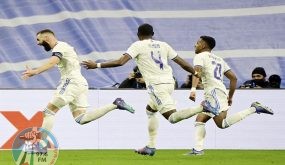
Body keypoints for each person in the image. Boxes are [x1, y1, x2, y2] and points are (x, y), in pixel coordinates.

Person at [82, 23, 209, 156]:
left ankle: (202, 108)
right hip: (170, 82)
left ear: (138, 35)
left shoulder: (138, 45)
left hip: (157, 86)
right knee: (150, 110)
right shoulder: (164, 45)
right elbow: (181, 62)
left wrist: (96, 65)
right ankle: (150, 146)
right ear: (152, 34)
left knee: (172, 117)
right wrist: (195, 73)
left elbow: (120, 62)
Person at [21, 29, 135, 152]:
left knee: (48, 112)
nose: (38, 43)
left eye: (39, 39)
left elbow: (52, 62)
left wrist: (35, 71)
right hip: (79, 83)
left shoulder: (60, 47)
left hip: (71, 82)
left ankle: (39, 145)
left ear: (47, 37)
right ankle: (115, 104)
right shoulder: (65, 46)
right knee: (81, 118)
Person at [188, 36, 274, 155]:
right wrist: (230, 97)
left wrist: (193, 89)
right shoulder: (219, 59)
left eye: (197, 43)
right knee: (203, 120)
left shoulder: (200, 56)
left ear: (203, 45)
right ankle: (198, 150)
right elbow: (233, 78)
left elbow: (196, 72)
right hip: (220, 92)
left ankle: (254, 108)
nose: (195, 45)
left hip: (213, 93)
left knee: (219, 123)